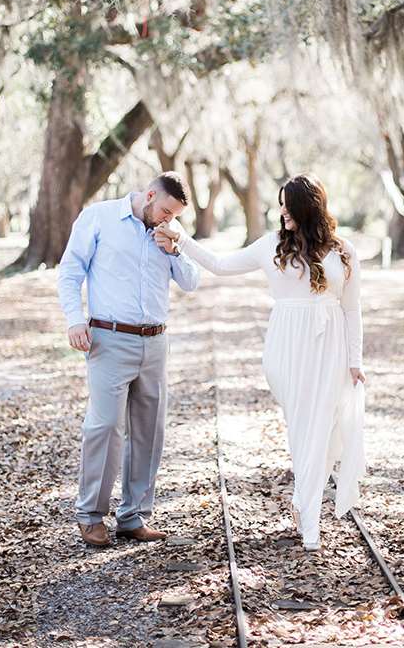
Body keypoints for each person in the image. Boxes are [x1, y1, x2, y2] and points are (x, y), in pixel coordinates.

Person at [155, 174, 366, 551]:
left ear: (308, 207)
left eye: (288, 204)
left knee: (325, 427)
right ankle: (309, 508)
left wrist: (355, 360)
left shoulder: (344, 251)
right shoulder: (271, 246)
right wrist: (181, 238)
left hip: (330, 346)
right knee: (304, 426)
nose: (281, 210)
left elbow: (352, 310)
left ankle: (307, 509)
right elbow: (220, 264)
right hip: (286, 346)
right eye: (280, 202)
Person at [57, 172, 200, 548]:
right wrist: (74, 319)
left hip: (155, 343)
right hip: (109, 338)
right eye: (166, 211)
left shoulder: (170, 233)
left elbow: (191, 282)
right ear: (150, 194)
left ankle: (133, 516)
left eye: (174, 215)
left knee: (149, 430)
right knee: (104, 427)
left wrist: (175, 249)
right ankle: (90, 516)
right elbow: (70, 271)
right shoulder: (98, 218)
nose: (168, 219)